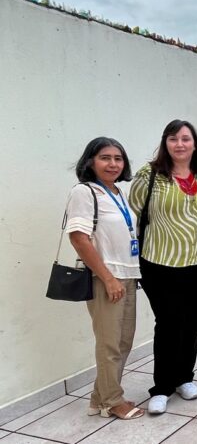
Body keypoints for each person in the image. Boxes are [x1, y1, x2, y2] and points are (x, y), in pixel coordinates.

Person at [129, 120, 197, 414]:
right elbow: (137, 206)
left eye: (185, 138)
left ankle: (184, 378)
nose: (180, 144)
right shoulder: (149, 175)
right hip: (161, 260)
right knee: (167, 322)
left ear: (195, 143)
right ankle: (162, 387)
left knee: (192, 321)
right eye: (173, 138)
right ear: (165, 143)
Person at [65, 137, 143, 420]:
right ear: (90, 162)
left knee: (123, 341)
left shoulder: (118, 193)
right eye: (105, 158)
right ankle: (112, 401)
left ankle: (100, 398)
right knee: (109, 342)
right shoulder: (84, 192)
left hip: (127, 275)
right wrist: (108, 278)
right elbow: (79, 239)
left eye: (118, 158)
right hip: (106, 277)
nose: (113, 164)